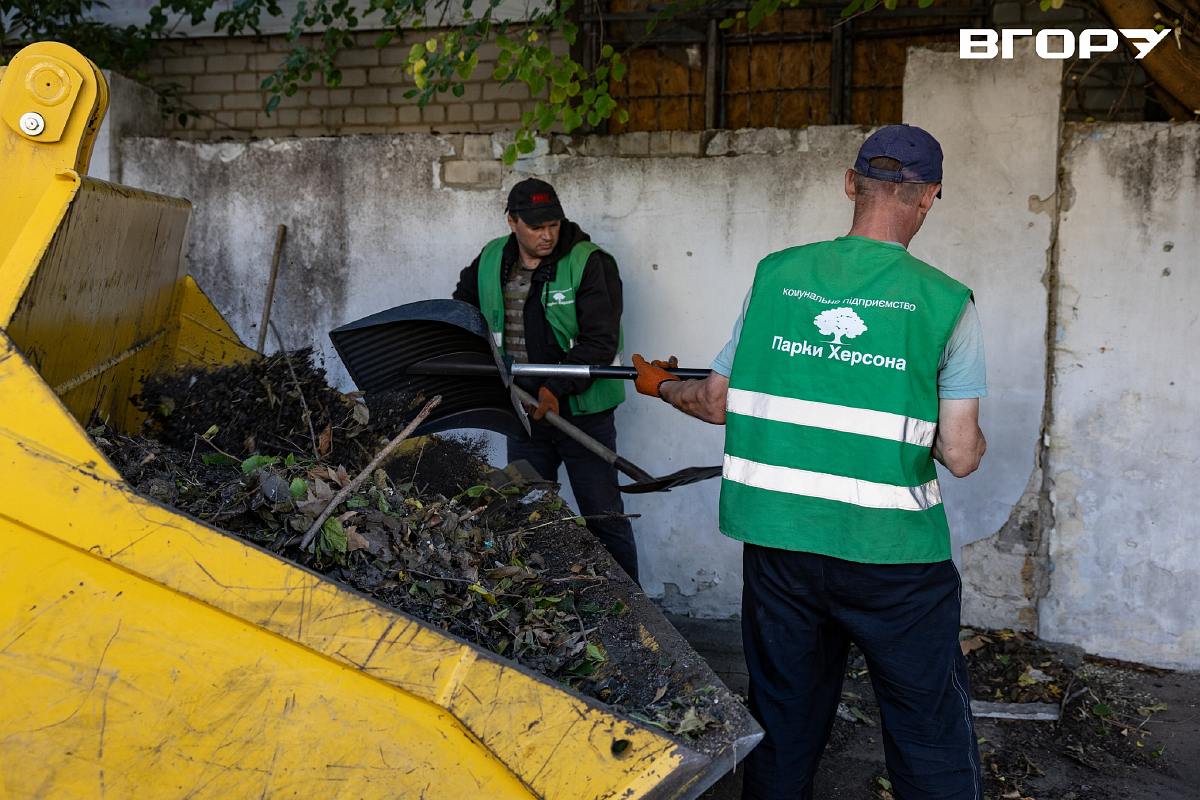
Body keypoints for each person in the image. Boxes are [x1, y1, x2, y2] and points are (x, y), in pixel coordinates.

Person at [632, 124, 988, 799]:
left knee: (784, 724)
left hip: (782, 548)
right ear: (931, 196)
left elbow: (714, 401)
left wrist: (659, 384)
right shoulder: (946, 303)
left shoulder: (777, 276)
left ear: (851, 184)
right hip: (896, 564)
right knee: (927, 734)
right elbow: (962, 455)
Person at [453, 178, 639, 583]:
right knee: (525, 514)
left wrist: (556, 390)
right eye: (536, 226)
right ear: (512, 221)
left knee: (603, 516)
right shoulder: (489, 261)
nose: (547, 234)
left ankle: (635, 613)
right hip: (521, 412)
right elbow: (463, 314)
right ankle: (545, 606)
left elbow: (600, 339)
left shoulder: (590, 263)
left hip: (582, 413)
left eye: (552, 224)